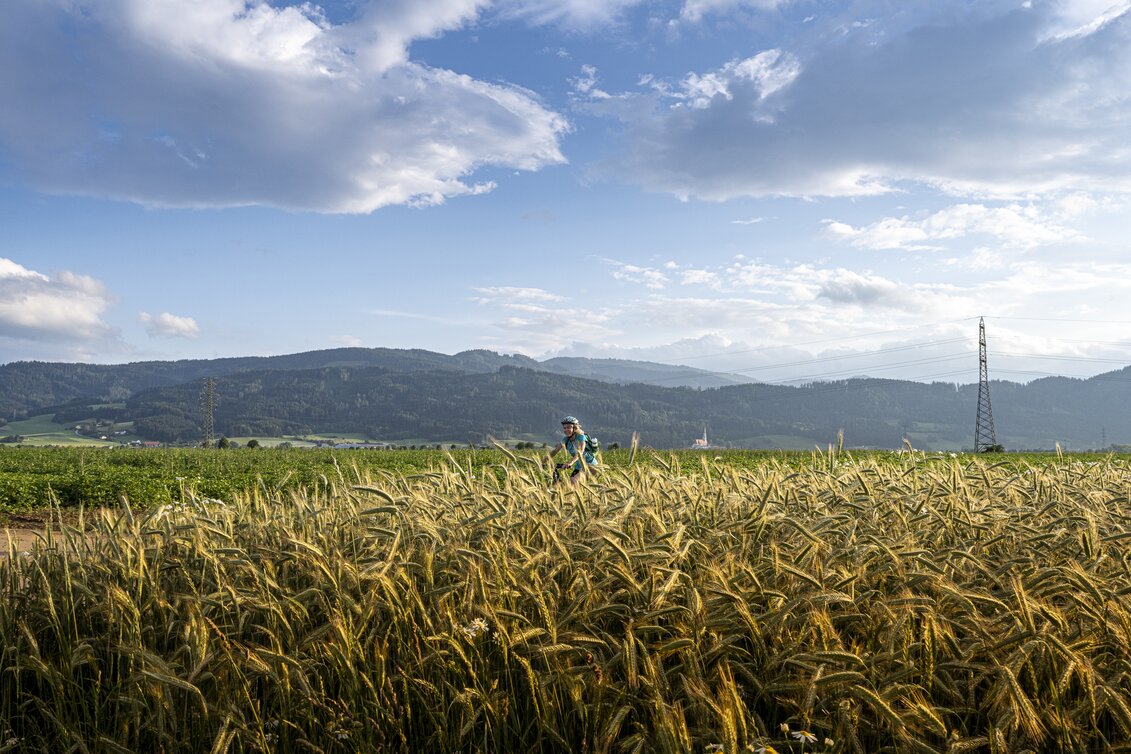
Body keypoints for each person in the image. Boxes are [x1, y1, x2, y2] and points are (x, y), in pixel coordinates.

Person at [548, 415, 599, 485]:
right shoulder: (565, 440)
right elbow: (554, 451)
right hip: (578, 468)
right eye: (564, 428)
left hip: (590, 466)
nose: (566, 430)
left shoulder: (581, 437)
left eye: (568, 427)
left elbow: (580, 451)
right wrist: (541, 462)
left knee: (573, 482)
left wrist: (571, 462)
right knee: (564, 486)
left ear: (575, 428)